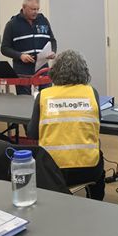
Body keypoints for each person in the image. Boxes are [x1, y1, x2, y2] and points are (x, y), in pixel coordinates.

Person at [27, 50, 105, 200]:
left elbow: (32, 134)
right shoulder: (91, 92)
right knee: (99, 161)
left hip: (52, 171)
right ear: (84, 72)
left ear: (54, 72)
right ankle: (97, 204)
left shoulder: (44, 96)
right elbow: (97, 124)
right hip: (87, 169)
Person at [1, 0, 57, 95]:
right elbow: (4, 48)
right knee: (23, 101)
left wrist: (52, 51)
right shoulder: (12, 24)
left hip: (42, 68)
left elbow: (52, 40)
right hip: (22, 70)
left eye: (37, 9)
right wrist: (20, 55)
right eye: (32, 9)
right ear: (23, 7)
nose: (35, 12)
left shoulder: (43, 20)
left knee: (46, 97)